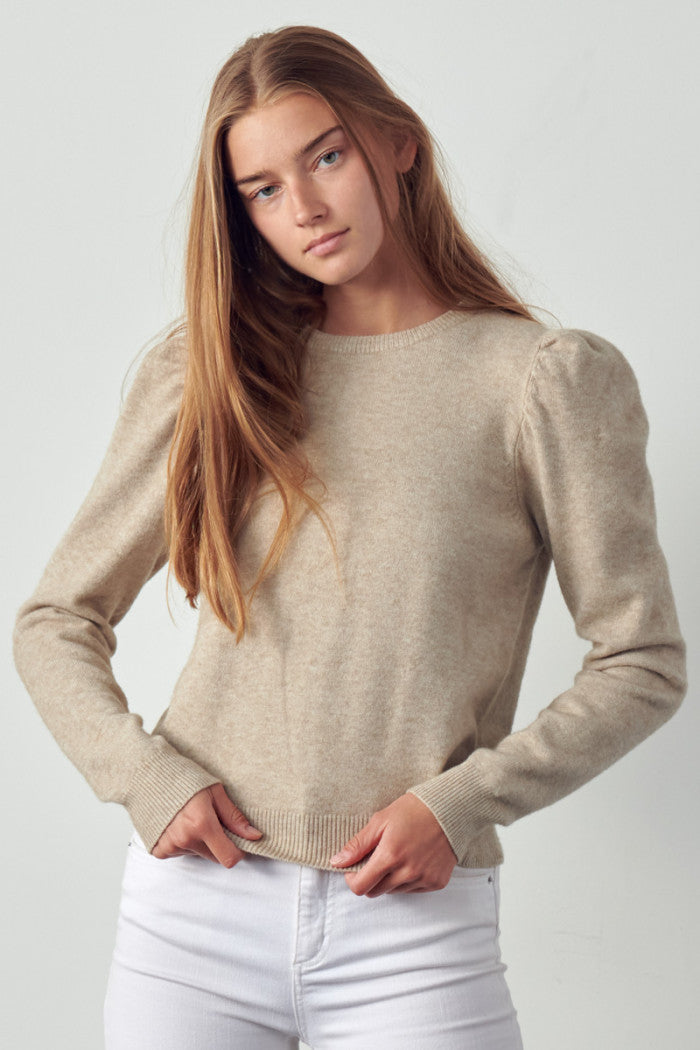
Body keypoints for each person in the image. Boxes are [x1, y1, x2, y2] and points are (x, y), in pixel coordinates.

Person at [12, 24, 687, 1050]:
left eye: (325, 155)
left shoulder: (541, 381)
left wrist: (462, 803)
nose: (305, 207)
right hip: (192, 914)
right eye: (263, 188)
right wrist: (147, 780)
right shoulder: (212, 373)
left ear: (396, 142)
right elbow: (57, 619)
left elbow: (641, 659)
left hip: (412, 922)